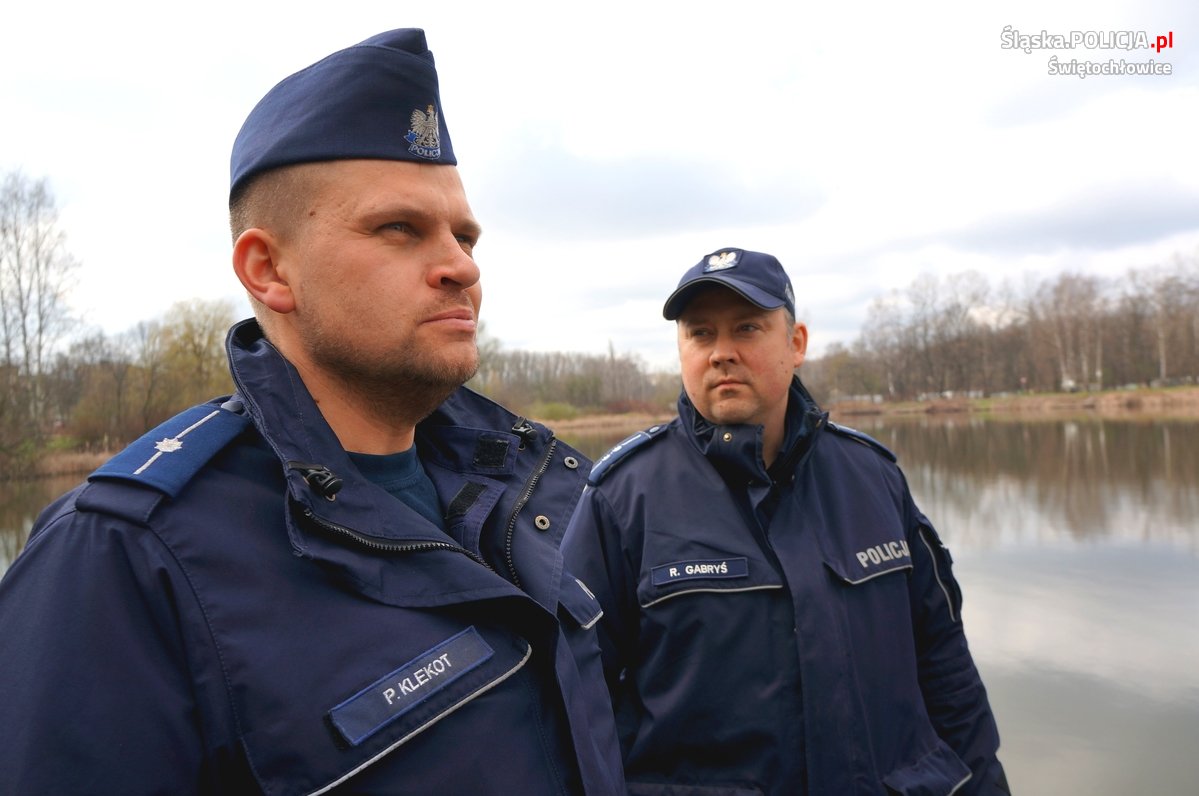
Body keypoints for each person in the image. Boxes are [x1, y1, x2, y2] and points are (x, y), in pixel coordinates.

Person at [0, 29, 624, 795]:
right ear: (269, 270)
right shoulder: (124, 563)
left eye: (463, 235)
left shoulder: (533, 492)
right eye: (400, 229)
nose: (461, 265)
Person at [562, 247, 1010, 795]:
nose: (722, 353)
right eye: (701, 334)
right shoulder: (622, 498)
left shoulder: (874, 478)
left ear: (795, 343)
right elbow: (575, 707)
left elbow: (944, 664)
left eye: (747, 328)